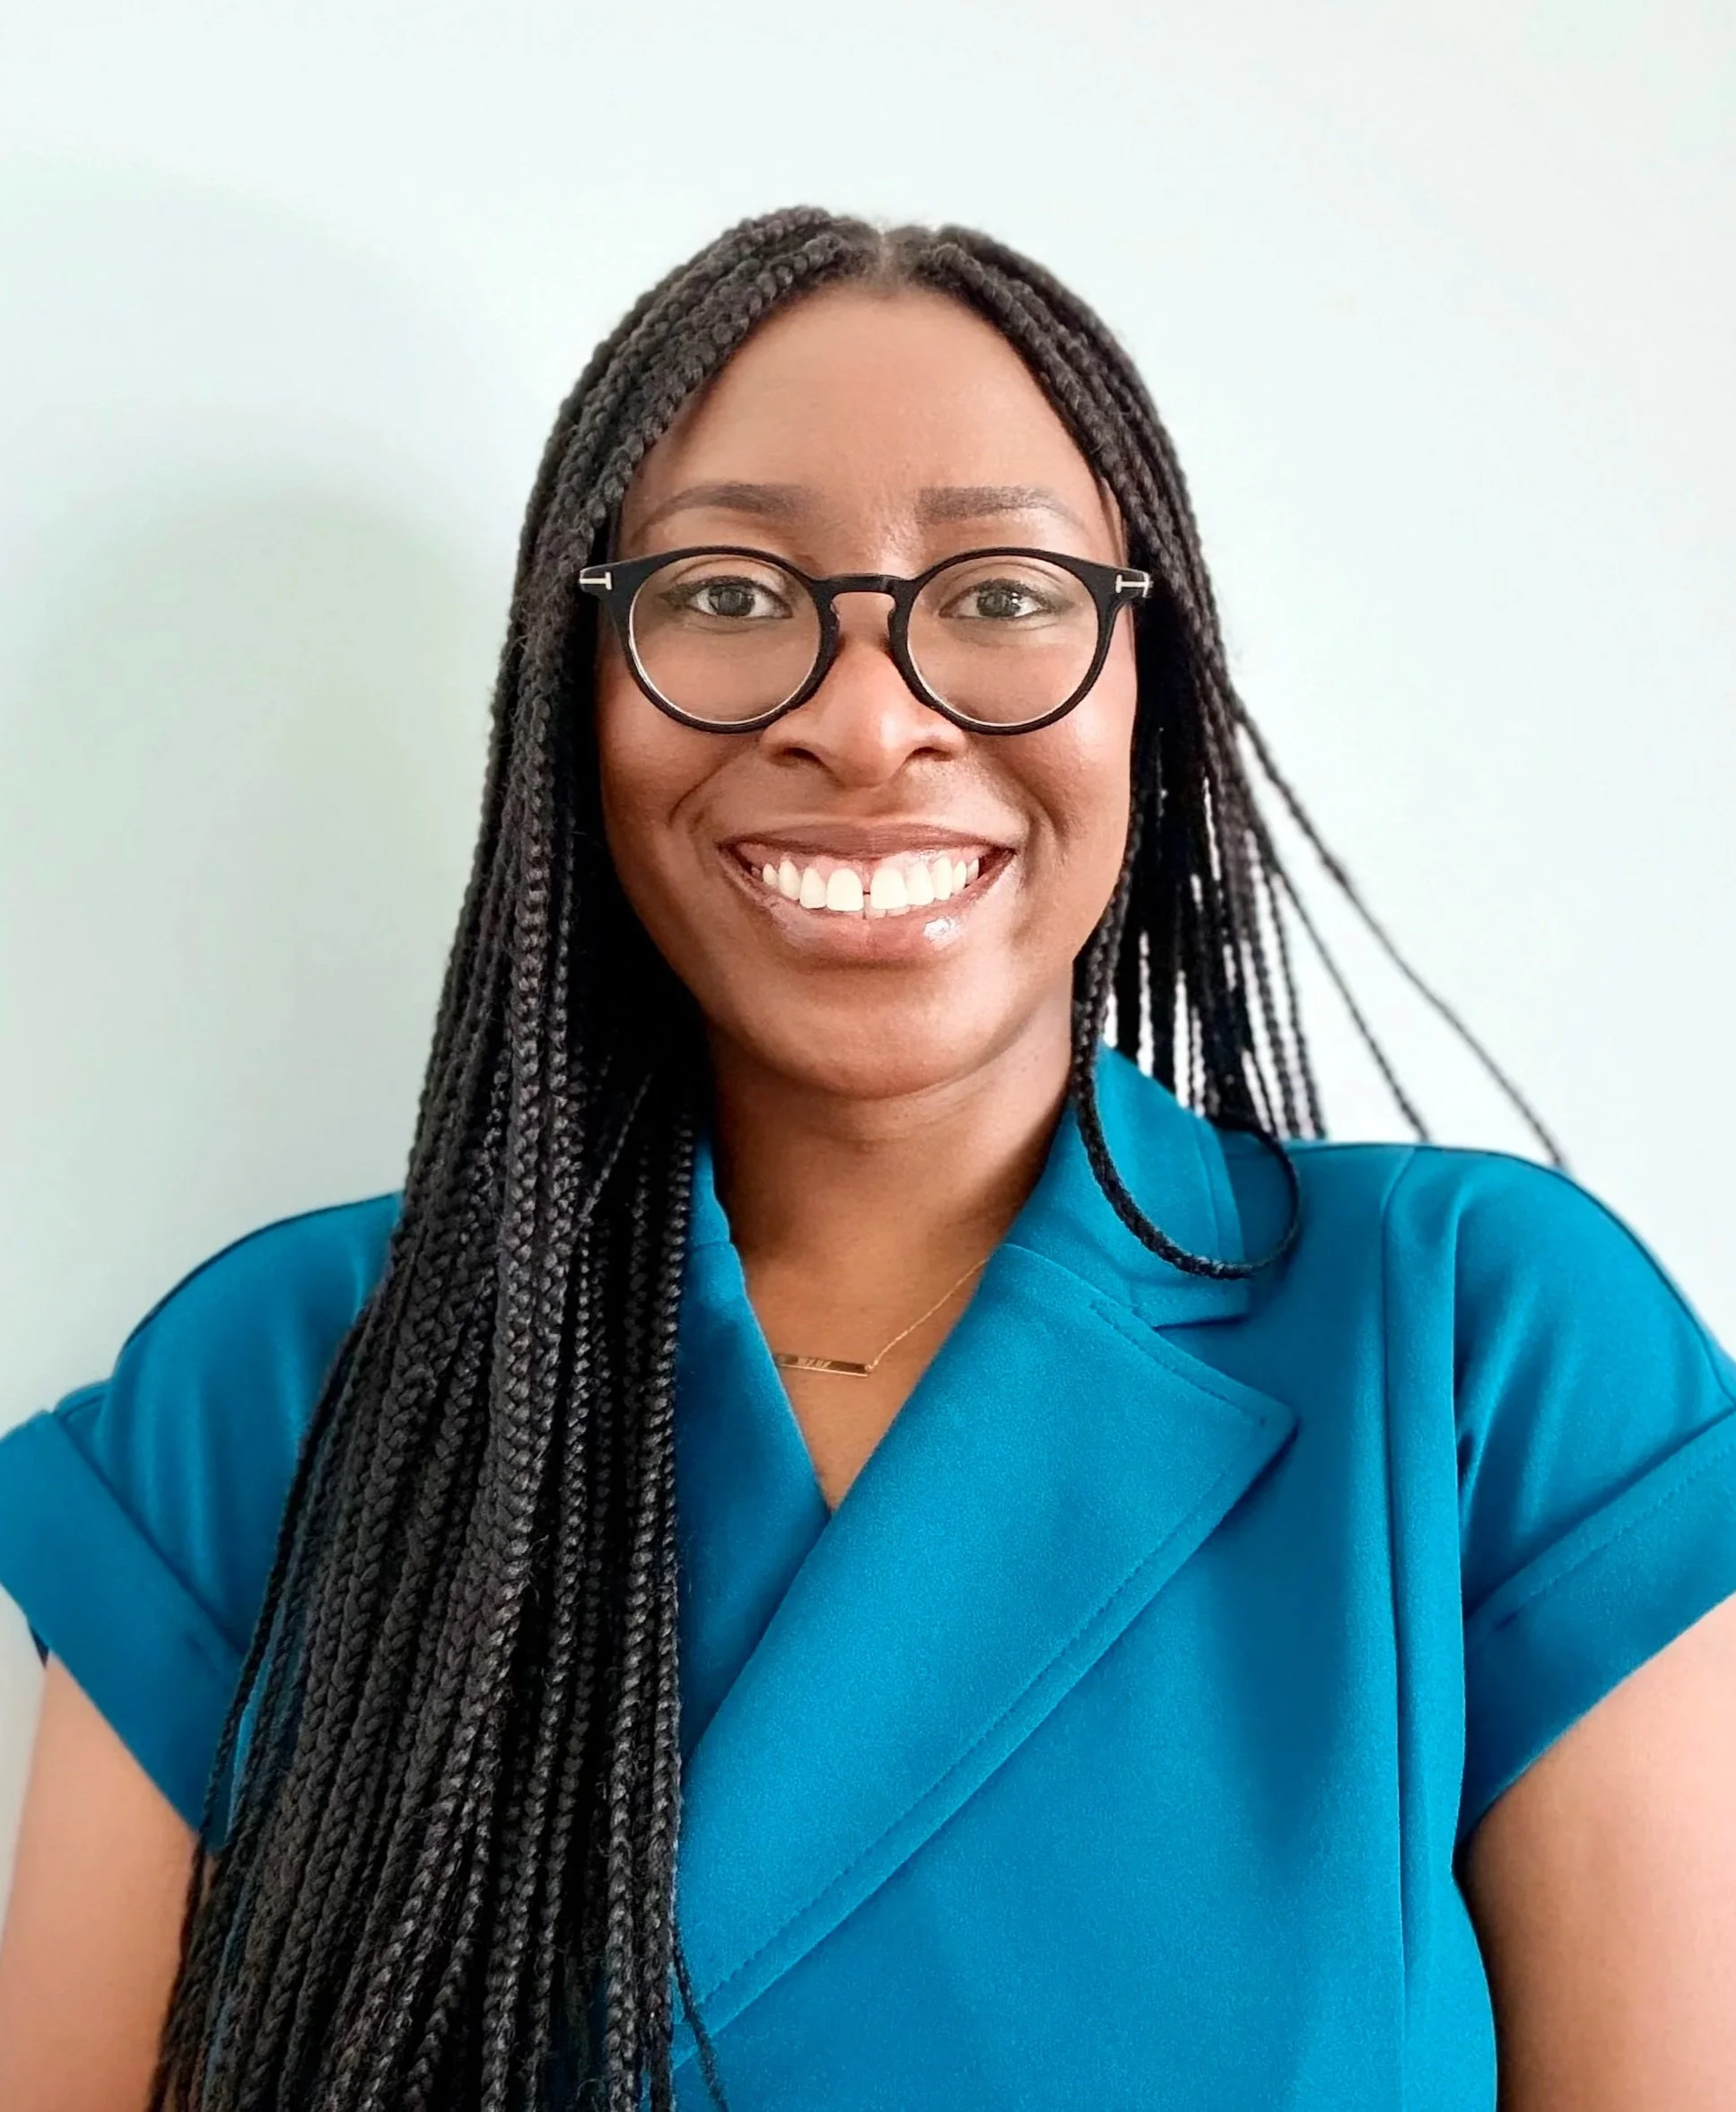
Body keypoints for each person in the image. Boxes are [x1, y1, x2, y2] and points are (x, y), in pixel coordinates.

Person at [0, 206, 1732, 2112]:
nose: (864, 717)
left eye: (998, 594)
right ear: (575, 699)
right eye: (729, 596)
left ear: (1145, 687)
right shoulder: (267, 1390)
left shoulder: (1485, 1358)